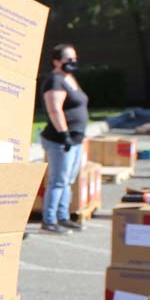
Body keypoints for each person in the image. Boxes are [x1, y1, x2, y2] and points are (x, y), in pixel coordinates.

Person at [39, 43, 89, 234]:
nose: (73, 62)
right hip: (60, 141)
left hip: (75, 141)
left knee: (67, 181)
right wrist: (64, 135)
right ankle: (49, 220)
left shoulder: (69, 78)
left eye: (74, 58)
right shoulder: (54, 81)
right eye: (69, 58)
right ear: (57, 60)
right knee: (57, 181)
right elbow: (54, 109)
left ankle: (63, 216)